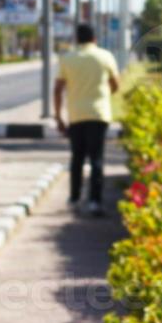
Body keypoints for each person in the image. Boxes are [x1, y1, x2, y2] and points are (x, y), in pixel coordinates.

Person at [54, 22, 120, 217]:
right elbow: (115, 85)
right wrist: (103, 96)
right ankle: (95, 202)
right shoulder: (105, 56)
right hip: (99, 114)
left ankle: (74, 198)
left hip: (76, 115)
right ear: (94, 39)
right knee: (97, 159)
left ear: (77, 39)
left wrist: (58, 117)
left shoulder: (68, 59)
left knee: (77, 158)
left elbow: (58, 90)